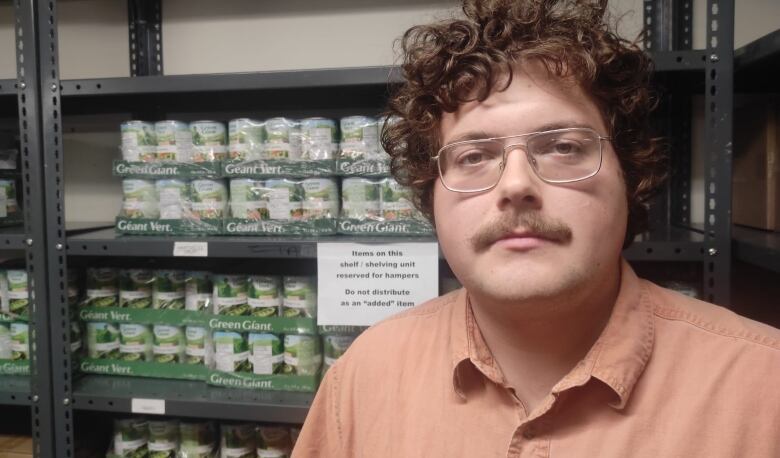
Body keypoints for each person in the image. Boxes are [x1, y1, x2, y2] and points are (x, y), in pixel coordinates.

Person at [293, 1, 780, 456]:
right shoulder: (362, 376)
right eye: (473, 156)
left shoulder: (764, 388)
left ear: (629, 177)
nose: (517, 184)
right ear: (431, 198)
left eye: (564, 147)